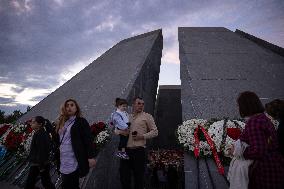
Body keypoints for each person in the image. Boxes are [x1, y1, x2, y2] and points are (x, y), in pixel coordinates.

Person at [234, 91, 284, 189]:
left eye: (239, 105)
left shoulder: (254, 123)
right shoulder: (262, 118)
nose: (238, 108)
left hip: (265, 173)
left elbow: (258, 151)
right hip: (273, 167)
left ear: (245, 106)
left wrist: (239, 151)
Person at [117, 97, 158, 189]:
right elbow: (117, 129)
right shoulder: (127, 116)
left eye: (143, 104)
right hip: (125, 151)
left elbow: (155, 132)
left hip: (139, 151)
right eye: (139, 103)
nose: (141, 105)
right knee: (124, 178)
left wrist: (142, 136)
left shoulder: (147, 116)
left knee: (139, 179)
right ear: (133, 105)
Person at [55, 99, 96, 189]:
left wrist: (91, 157)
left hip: (74, 159)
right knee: (67, 185)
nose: (69, 107)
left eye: (72, 105)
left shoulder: (81, 121)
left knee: (71, 185)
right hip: (64, 159)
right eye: (67, 105)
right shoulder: (63, 123)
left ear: (76, 108)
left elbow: (88, 139)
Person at [25, 116, 56, 189]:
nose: (31, 124)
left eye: (33, 122)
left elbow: (42, 151)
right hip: (40, 163)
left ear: (40, 124)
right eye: (31, 122)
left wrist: (41, 167)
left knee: (30, 184)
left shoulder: (41, 135)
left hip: (39, 163)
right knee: (46, 182)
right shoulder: (39, 133)